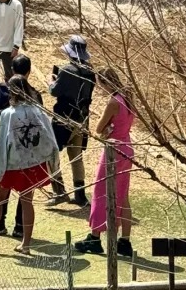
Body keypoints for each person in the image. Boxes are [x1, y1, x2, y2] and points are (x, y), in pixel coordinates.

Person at [0, 77, 57, 257]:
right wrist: (52, 163)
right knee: (27, 200)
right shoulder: (39, 111)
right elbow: (50, 138)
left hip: (13, 163)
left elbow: (1, 145)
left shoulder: (8, 114)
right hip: (34, 163)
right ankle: (26, 244)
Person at [76, 69, 135, 260]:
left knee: (100, 191)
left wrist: (107, 129)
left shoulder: (113, 102)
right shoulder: (128, 97)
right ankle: (124, 240)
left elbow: (99, 128)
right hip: (126, 147)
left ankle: (94, 237)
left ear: (106, 83)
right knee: (123, 195)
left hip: (113, 151)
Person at [0, 55, 38, 237]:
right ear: (29, 71)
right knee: (26, 194)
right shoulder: (35, 94)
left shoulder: (3, 90)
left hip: (8, 146)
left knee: (3, 189)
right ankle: (20, 228)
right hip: (29, 150)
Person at [48, 36, 96, 209]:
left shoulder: (67, 70)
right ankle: (80, 195)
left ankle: (59, 191)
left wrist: (51, 81)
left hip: (64, 118)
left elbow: (54, 91)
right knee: (76, 157)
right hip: (82, 119)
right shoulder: (91, 72)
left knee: (50, 153)